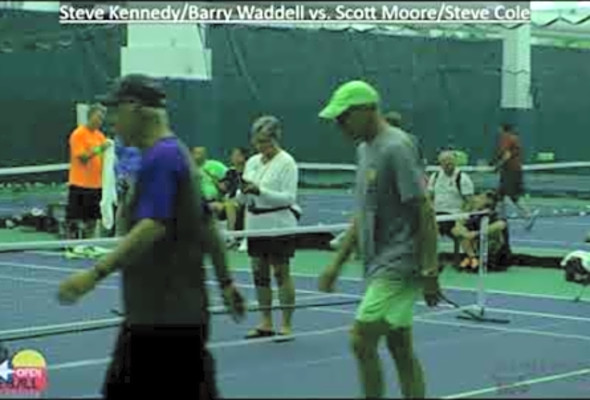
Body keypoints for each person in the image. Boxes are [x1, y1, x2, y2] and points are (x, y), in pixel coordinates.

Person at [57, 74, 245, 399]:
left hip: (160, 323)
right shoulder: (178, 154)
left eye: (116, 111)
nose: (113, 121)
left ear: (134, 108)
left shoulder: (162, 158)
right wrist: (226, 282)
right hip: (175, 318)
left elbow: (152, 226)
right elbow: (208, 227)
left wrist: (93, 274)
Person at [317, 80, 441, 399]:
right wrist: (336, 263)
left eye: (343, 117)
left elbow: (424, 210)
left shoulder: (396, 147)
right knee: (400, 345)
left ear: (367, 110)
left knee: (361, 339)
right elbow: (363, 213)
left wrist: (430, 271)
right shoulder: (364, 150)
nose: (339, 125)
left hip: (402, 260)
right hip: (378, 260)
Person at [237, 115, 300, 341]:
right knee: (259, 273)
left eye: (265, 141)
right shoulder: (252, 162)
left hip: (279, 224)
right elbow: (244, 195)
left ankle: (286, 325)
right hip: (255, 225)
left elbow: (288, 197)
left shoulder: (287, 163)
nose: (260, 146)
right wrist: (242, 193)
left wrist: (260, 191)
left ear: (275, 139)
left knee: (281, 272)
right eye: (257, 141)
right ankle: (265, 322)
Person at [66, 104, 109, 257]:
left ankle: (89, 245)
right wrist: (99, 149)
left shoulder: (100, 136)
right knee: (76, 216)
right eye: (97, 118)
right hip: (79, 183)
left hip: (96, 184)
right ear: (90, 116)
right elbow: (82, 157)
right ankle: (72, 246)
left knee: (93, 218)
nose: (100, 121)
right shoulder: (78, 134)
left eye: (102, 119)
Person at [427, 150, 475, 261]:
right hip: (437, 214)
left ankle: (473, 260)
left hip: (454, 216)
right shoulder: (435, 177)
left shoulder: (463, 178)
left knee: (441, 229)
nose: (448, 165)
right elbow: (429, 197)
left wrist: (461, 219)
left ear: (454, 162)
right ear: (440, 164)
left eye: (450, 162)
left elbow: (469, 202)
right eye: (444, 162)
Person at [493, 123, 538, 230]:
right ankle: (501, 219)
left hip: (511, 171)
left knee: (513, 196)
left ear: (502, 129)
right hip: (515, 170)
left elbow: (507, 155)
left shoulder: (506, 138)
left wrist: (498, 166)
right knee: (500, 194)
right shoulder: (515, 138)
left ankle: (528, 215)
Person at [451, 191, 510, 272]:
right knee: (457, 230)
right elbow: (458, 224)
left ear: (489, 201)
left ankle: (474, 259)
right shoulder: (473, 211)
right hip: (473, 243)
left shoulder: (494, 213)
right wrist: (465, 232)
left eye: (481, 198)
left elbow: (501, 224)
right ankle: (473, 257)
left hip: (491, 244)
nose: (476, 199)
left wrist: (477, 234)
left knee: (494, 231)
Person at [217, 147, 249, 249]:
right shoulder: (230, 172)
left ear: (243, 157)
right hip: (230, 202)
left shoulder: (250, 172)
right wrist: (221, 186)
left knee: (230, 204)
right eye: (233, 155)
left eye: (236, 155)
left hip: (245, 202)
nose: (233, 157)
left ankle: (232, 237)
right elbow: (224, 187)